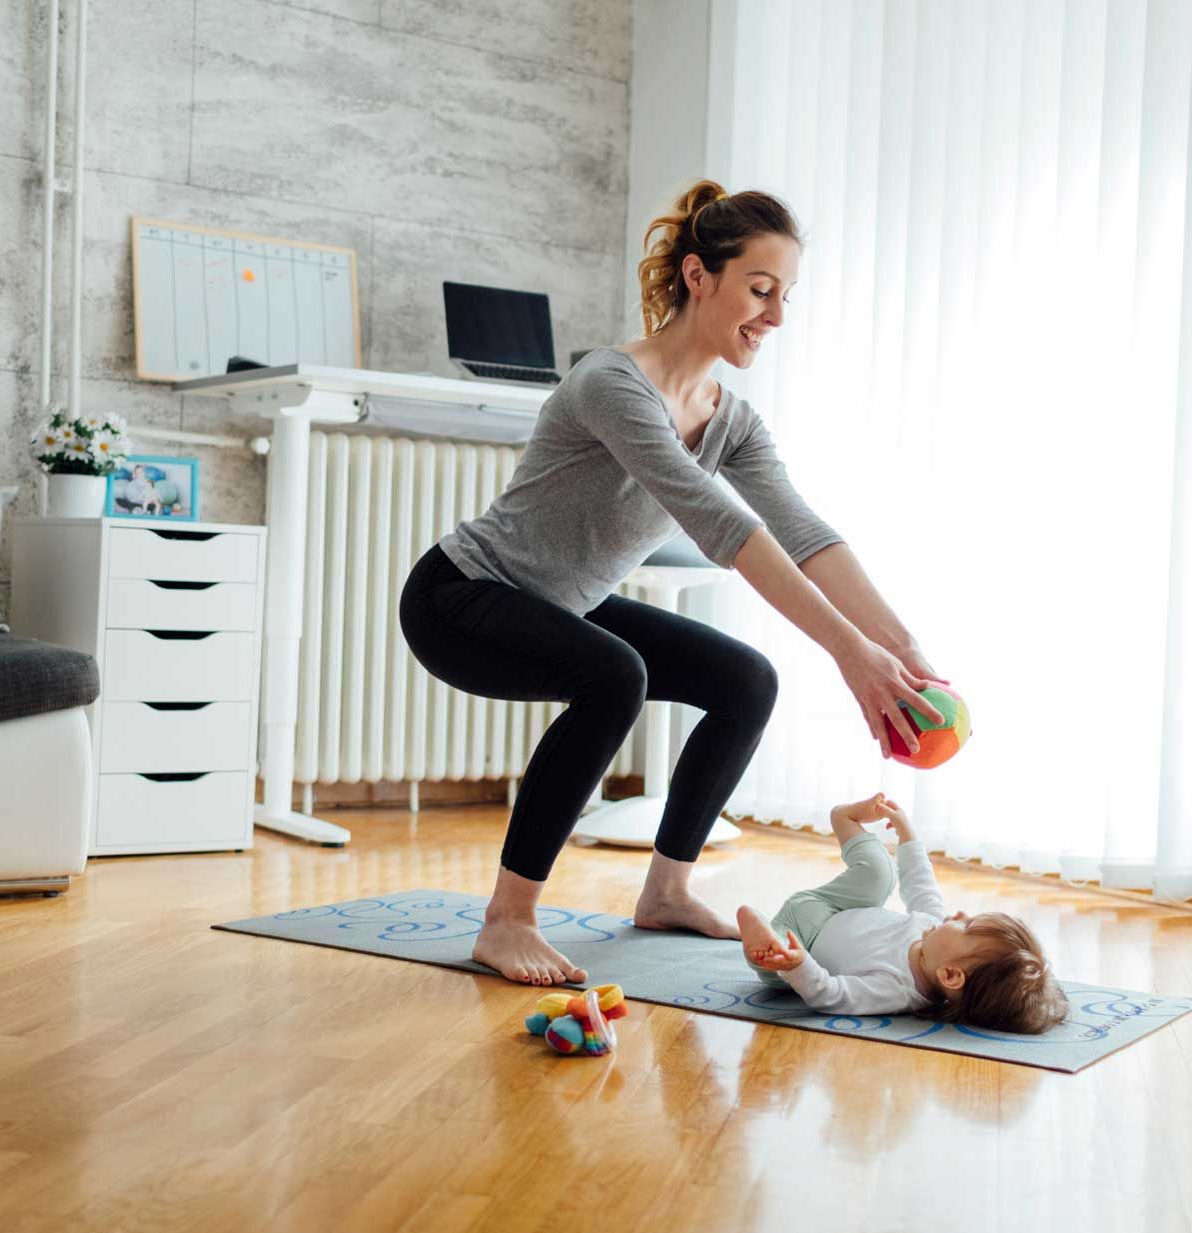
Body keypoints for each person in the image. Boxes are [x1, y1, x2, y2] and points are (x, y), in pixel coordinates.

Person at [399, 179, 949, 987]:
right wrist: (847, 653)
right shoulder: (612, 385)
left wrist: (899, 648)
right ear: (698, 276)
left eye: (784, 295)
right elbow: (720, 525)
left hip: (561, 599)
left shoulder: (731, 419)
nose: (775, 315)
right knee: (613, 673)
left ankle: (666, 891)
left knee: (743, 680)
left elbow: (802, 534)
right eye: (760, 290)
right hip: (460, 597)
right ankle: (506, 919)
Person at [737, 793, 1069, 1032]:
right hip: (832, 905)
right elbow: (920, 884)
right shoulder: (931, 927)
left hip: (801, 942)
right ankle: (845, 817)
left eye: (966, 927)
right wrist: (908, 835)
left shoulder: (894, 989)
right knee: (881, 877)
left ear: (950, 975)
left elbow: (831, 995)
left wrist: (798, 965)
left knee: (774, 969)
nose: (959, 914)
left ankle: (767, 944)